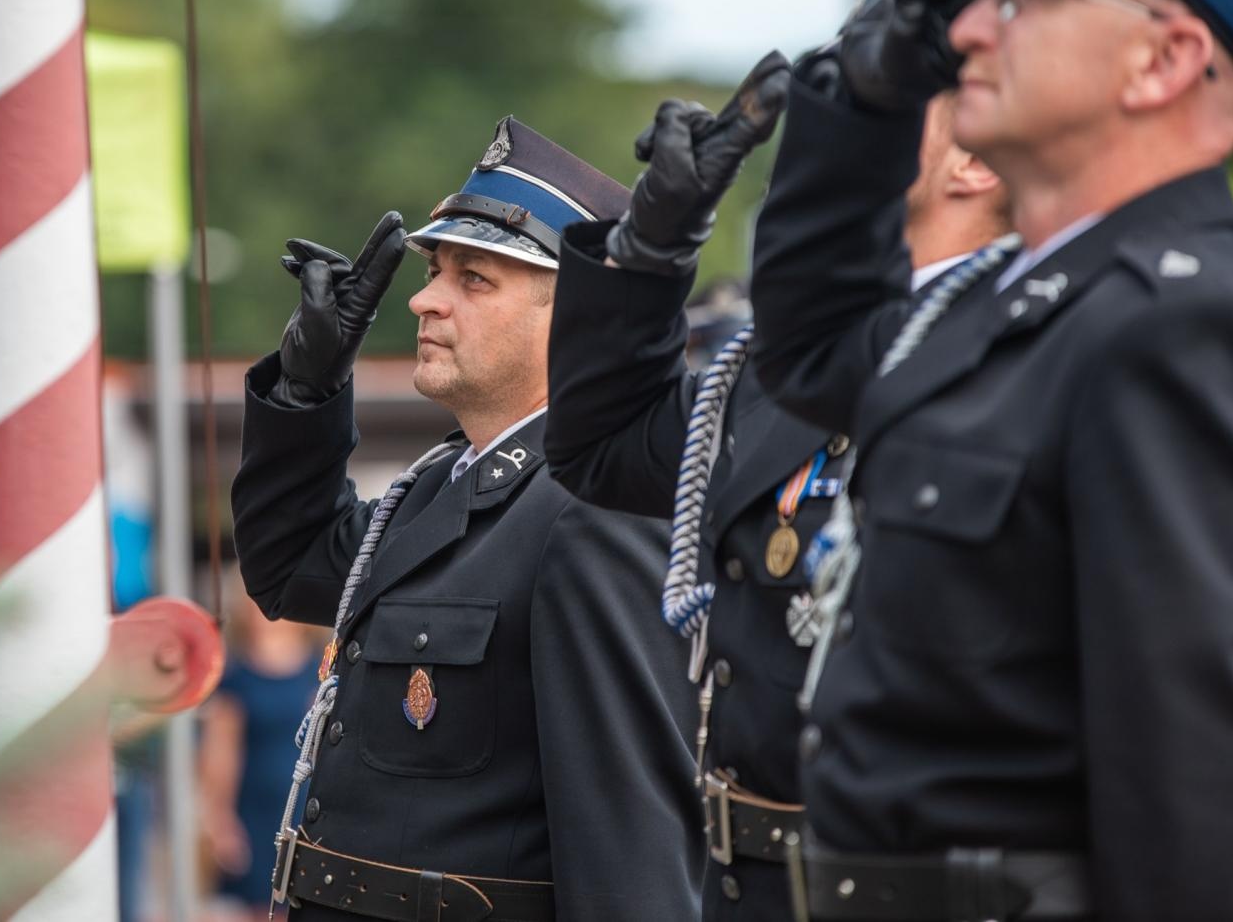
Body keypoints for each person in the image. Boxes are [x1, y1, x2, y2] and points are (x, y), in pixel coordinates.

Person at [746, 0, 1233, 920]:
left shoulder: (1185, 325)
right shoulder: (992, 303)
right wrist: (861, 102)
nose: (971, 30)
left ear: (1163, 59)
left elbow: (1198, 787)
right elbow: (809, 347)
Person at [544, 51, 1009, 920]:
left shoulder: (1026, 346)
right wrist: (652, 247)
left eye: (885, 107)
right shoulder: (783, 358)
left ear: (975, 162)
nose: (838, 133)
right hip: (749, 883)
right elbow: (601, 448)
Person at [230, 117, 703, 922]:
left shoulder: (600, 512)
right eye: (435, 270)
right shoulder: (441, 483)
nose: (423, 298)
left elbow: (630, 848)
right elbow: (293, 565)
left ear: (580, 318)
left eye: (474, 279)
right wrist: (307, 395)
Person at [198, 573, 327, 922]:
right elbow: (220, 752)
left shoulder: (321, 669)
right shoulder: (236, 677)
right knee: (260, 908)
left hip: (304, 809)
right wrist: (220, 819)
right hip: (254, 812)